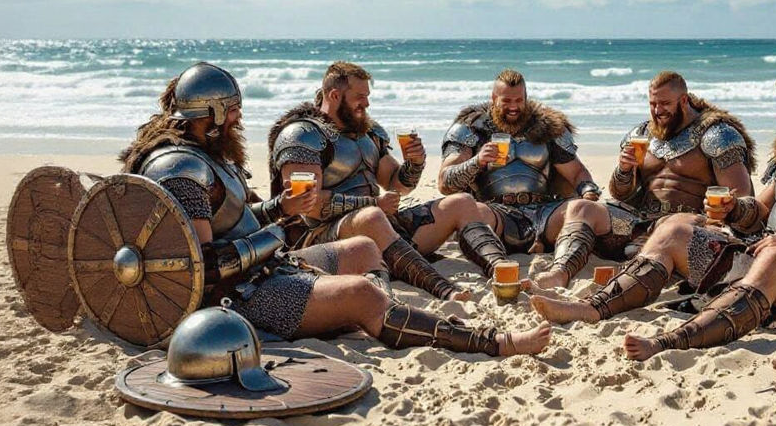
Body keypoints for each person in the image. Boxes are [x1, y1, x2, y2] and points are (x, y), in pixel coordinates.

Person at [120, 62, 549, 357]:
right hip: (235, 299)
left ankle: (377, 314)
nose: (238, 118)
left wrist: (276, 208)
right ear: (209, 112)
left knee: (364, 249)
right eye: (231, 111)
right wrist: (273, 234)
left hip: (267, 268)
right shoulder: (183, 169)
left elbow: (237, 220)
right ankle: (496, 342)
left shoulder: (205, 155)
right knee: (363, 291)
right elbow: (205, 266)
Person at [532, 65, 776, 361]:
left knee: (775, 257)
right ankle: (591, 308)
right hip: (764, 253)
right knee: (675, 228)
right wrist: (733, 210)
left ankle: (672, 341)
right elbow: (759, 212)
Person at [267, 61, 471, 302]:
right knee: (371, 217)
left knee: (461, 202)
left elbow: (398, 185)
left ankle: (498, 269)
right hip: (321, 237)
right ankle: (444, 289)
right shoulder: (302, 136)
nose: (366, 103)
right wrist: (373, 203)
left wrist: (414, 163)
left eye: (367, 96)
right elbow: (308, 204)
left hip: (384, 226)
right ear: (334, 95)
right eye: (360, 97)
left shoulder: (368, 133)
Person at [437, 69, 612, 290]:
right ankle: (500, 268)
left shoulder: (547, 127)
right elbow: (444, 182)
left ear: (526, 98)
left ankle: (561, 272)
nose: (513, 106)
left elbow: (577, 172)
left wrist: (588, 191)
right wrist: (477, 161)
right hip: (496, 212)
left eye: (519, 100)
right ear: (493, 99)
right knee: (470, 211)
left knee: (583, 209)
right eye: (506, 100)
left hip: (545, 211)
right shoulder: (471, 128)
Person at [601, 70, 756, 256]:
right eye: (653, 104)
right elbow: (621, 195)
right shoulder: (640, 134)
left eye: (665, 104)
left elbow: (743, 199)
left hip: (688, 226)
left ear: (683, 101)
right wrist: (624, 170)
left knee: (645, 249)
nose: (658, 111)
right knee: (584, 211)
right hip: (641, 223)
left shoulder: (717, 135)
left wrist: (723, 210)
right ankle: (560, 272)